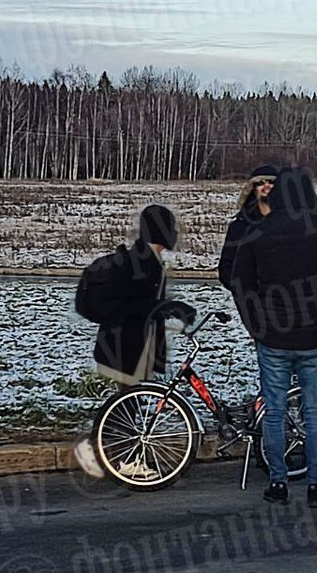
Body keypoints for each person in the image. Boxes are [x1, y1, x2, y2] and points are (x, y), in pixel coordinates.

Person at [228, 166, 317, 507]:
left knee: (273, 411)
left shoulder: (257, 232)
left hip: (271, 336)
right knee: (314, 411)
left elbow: (241, 284)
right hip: (314, 336)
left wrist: (253, 325)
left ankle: (278, 483)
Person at [73, 204, 178, 480]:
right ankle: (122, 459)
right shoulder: (145, 263)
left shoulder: (144, 258)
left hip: (125, 343)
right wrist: (164, 309)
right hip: (129, 344)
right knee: (127, 403)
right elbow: (137, 304)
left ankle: (110, 453)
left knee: (125, 402)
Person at [217, 164, 277, 290]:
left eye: (271, 182)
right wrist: (243, 295)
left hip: (285, 301)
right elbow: (227, 268)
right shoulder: (240, 227)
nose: (266, 186)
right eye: (261, 182)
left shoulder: (292, 225)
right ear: (253, 188)